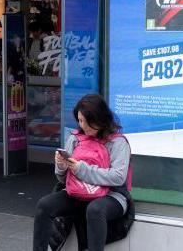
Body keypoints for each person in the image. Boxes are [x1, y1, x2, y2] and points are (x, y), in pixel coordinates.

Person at [32, 94, 132, 251]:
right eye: (80, 121)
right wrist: (61, 166)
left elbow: (118, 177)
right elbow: (63, 179)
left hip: (111, 196)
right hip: (78, 191)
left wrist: (82, 169)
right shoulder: (75, 138)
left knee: (95, 209)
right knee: (44, 205)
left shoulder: (118, 142)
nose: (83, 125)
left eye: (87, 121)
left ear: (100, 118)